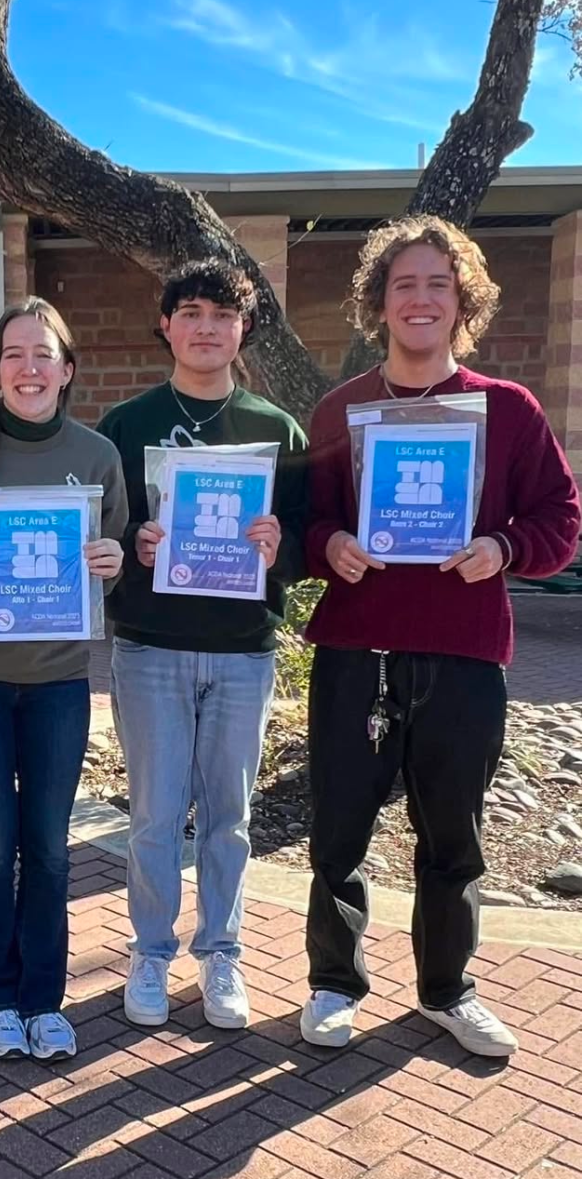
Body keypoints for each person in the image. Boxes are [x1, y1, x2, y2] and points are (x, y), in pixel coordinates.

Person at [300, 215, 579, 1057]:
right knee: (340, 828)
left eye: (437, 284)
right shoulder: (342, 409)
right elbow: (305, 519)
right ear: (378, 304)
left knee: (453, 836)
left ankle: (447, 988)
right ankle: (332, 982)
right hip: (359, 651)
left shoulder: (510, 410)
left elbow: (561, 520)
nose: (420, 299)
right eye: (403, 285)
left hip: (463, 654)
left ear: (463, 301)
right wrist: (330, 546)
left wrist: (502, 546)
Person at [96, 260, 308, 1031]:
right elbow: (100, 539)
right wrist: (134, 542)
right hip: (151, 645)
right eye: (191, 311)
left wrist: (278, 544)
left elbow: (305, 547)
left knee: (230, 815)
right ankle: (150, 950)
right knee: (154, 814)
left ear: (243, 328)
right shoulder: (125, 425)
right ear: (166, 325)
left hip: (243, 649)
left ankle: (222, 951)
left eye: (223, 312)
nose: (207, 326)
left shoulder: (275, 428)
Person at [0, 299, 128, 1061]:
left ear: (67, 370)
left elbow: (117, 560)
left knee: (47, 848)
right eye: (14, 354)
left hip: (57, 684)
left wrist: (114, 561)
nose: (29, 368)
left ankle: (43, 998)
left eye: (44, 354)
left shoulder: (97, 457)